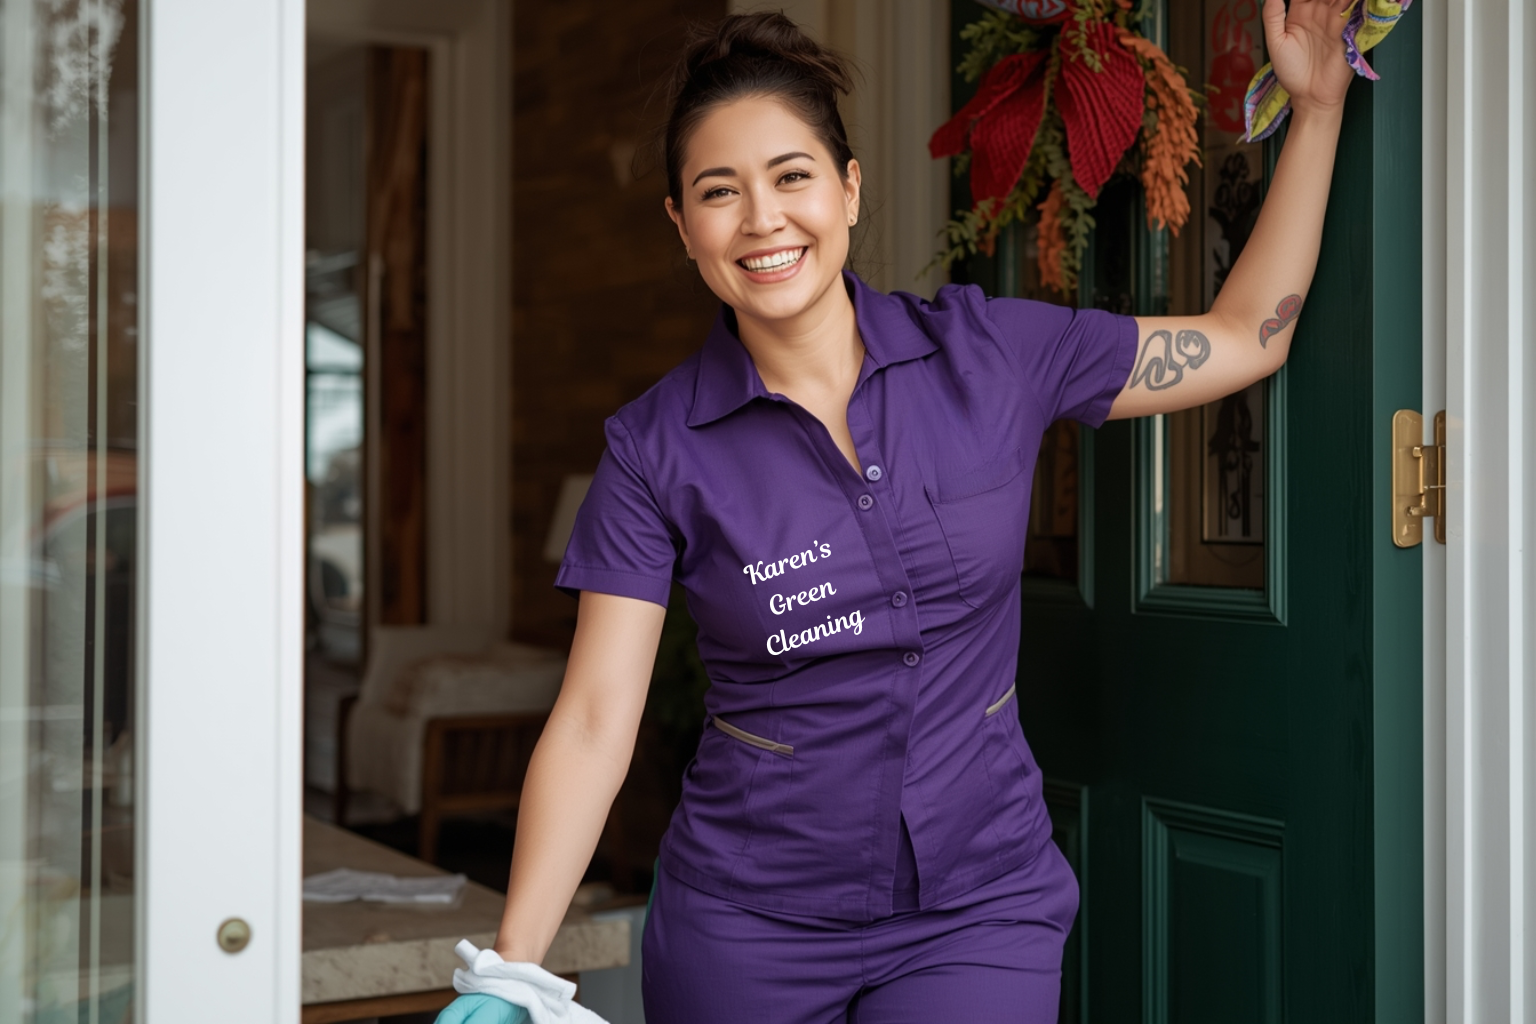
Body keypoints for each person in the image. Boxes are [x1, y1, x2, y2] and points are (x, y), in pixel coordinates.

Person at [439, 1, 1354, 1021]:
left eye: (792, 176)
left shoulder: (995, 354)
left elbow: (1245, 335)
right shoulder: (653, 451)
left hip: (979, 906)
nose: (763, 219)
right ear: (680, 223)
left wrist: (1314, 110)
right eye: (718, 191)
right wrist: (511, 970)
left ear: (849, 188)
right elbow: (598, 718)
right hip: (748, 927)